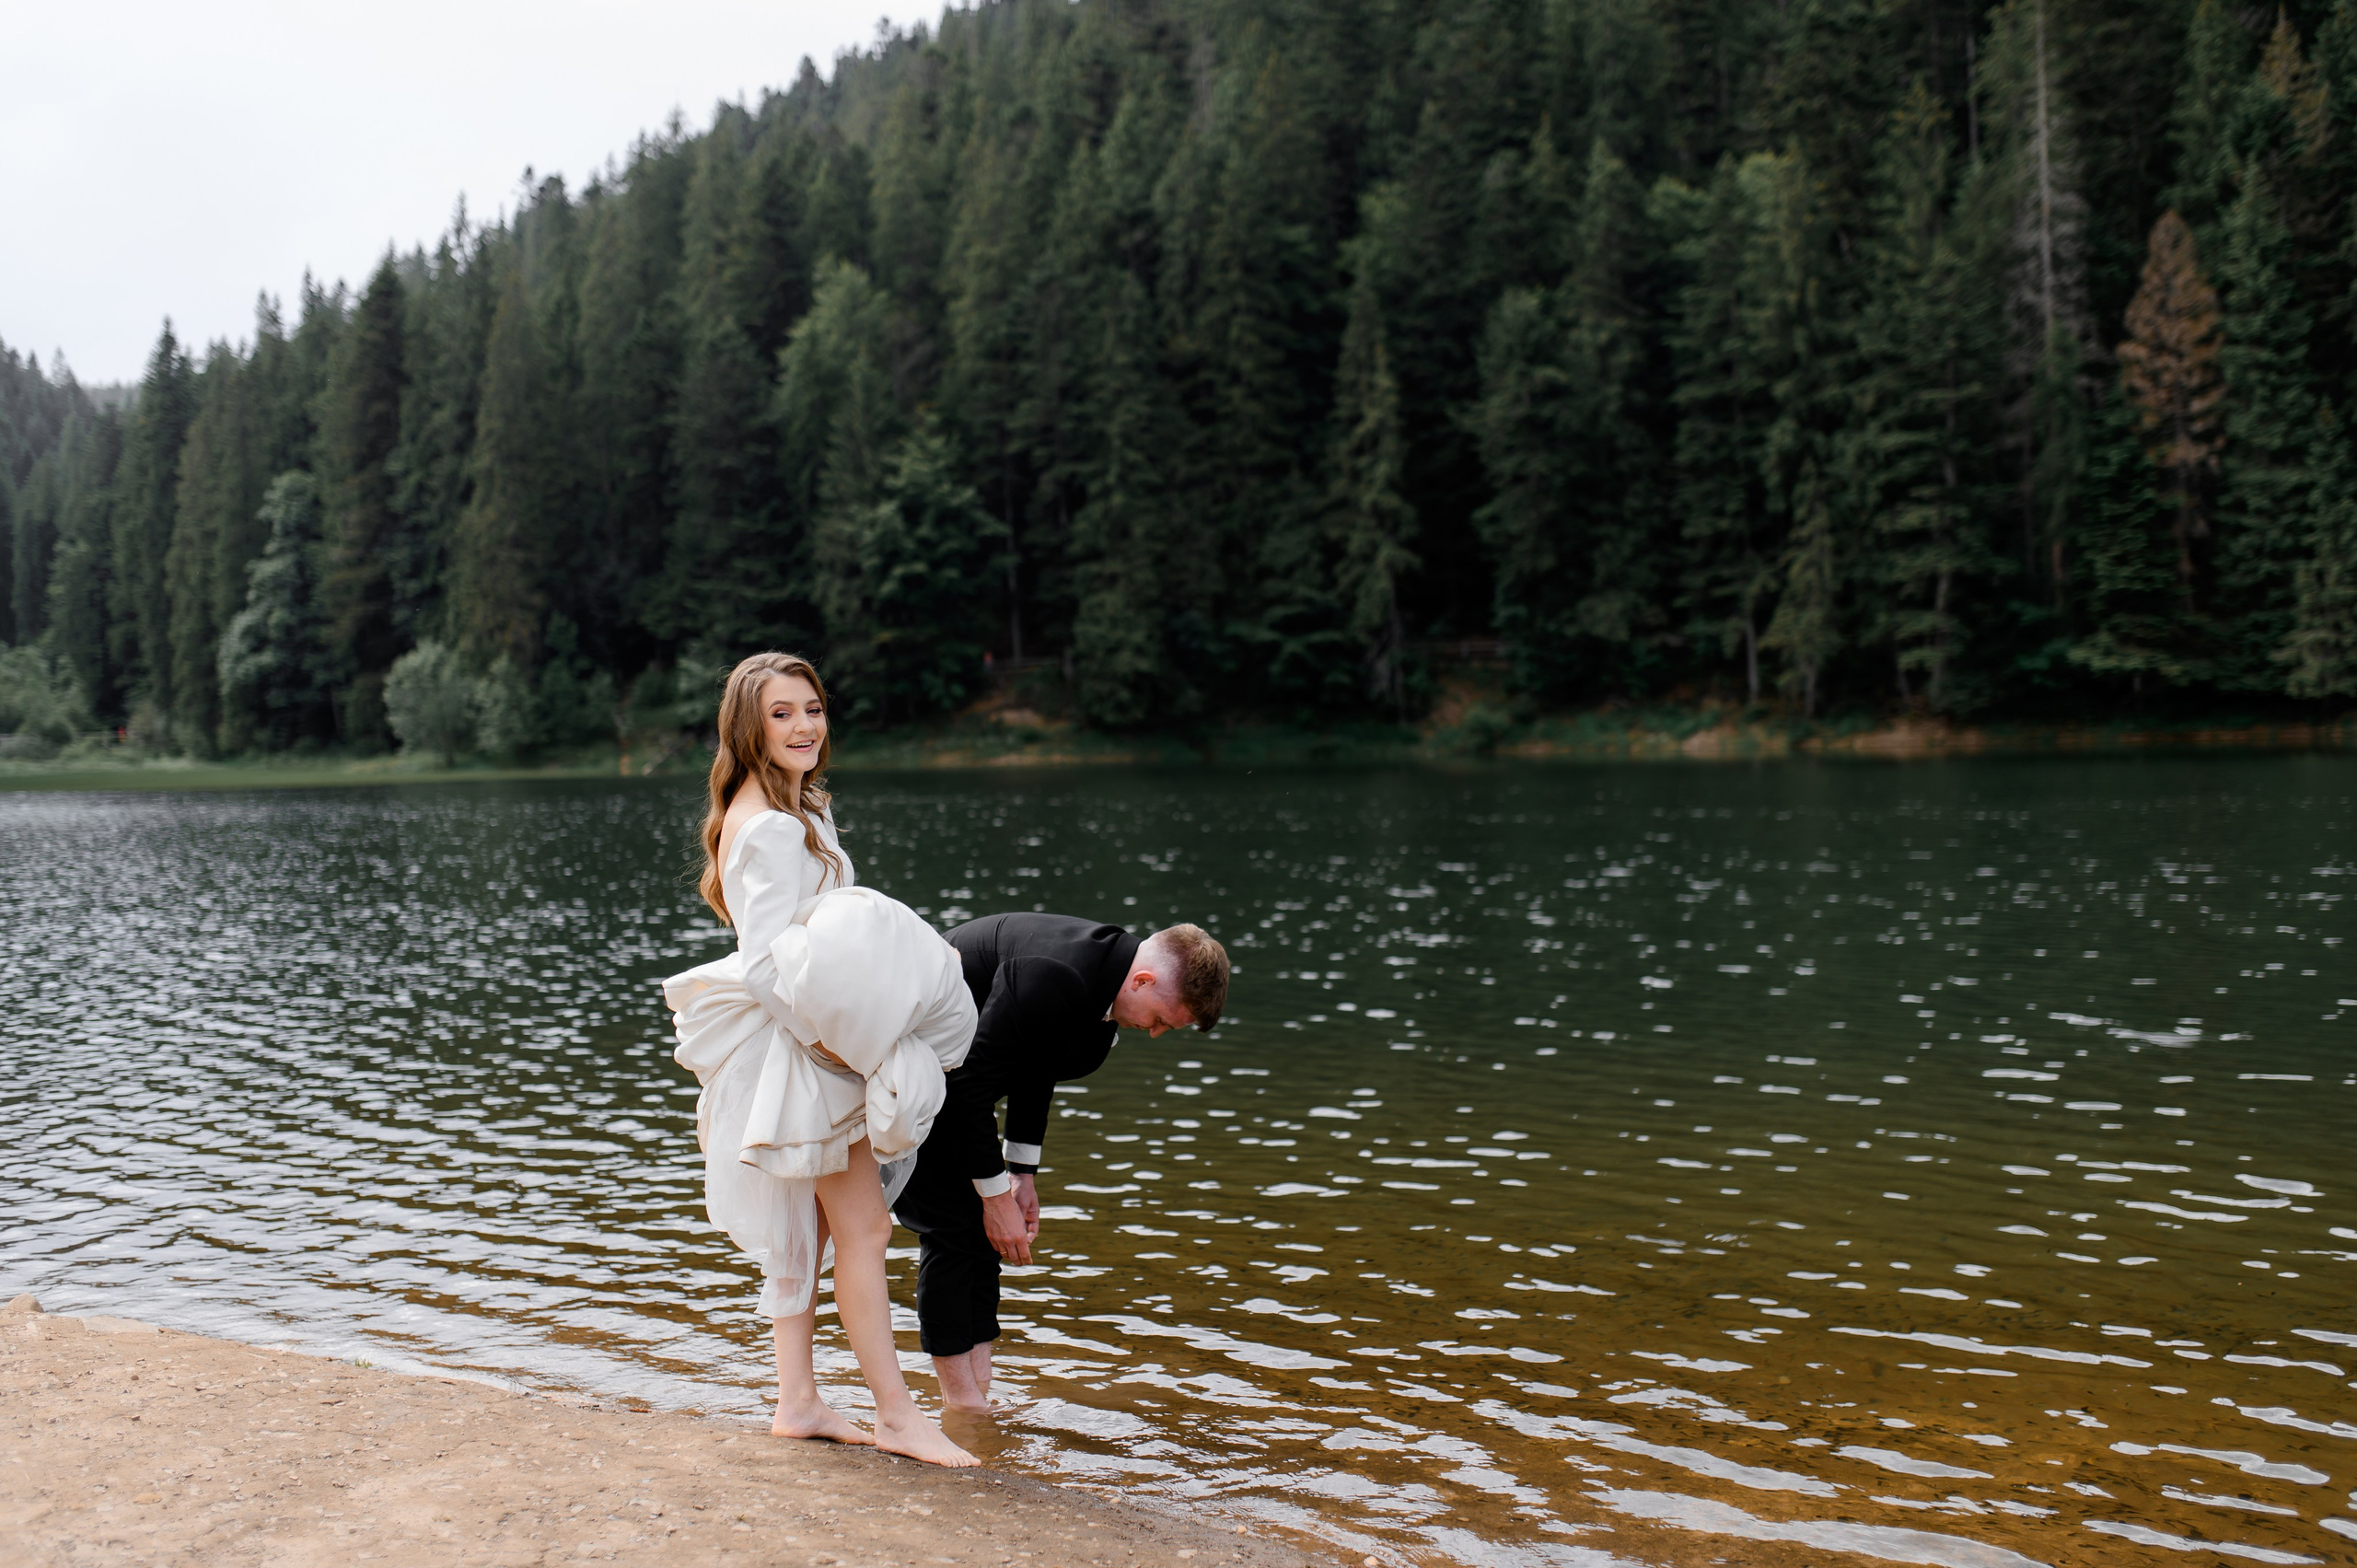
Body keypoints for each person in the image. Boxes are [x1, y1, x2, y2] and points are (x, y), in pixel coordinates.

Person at [662, 652, 978, 1468]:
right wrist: (844, 1050)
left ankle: (797, 1400)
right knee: (865, 1228)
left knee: (808, 1230)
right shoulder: (768, 825)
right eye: (782, 713)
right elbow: (767, 967)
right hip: (806, 1049)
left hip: (811, 1037)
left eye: (813, 708)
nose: (804, 725)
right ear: (749, 727)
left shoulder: (797, 806)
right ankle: (899, 1416)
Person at [893, 913, 1230, 1411]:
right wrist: (994, 1198)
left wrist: (1020, 1173)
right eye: (1161, 1019)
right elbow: (968, 1087)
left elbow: (1035, 1068)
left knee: (985, 1239)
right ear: (1143, 981)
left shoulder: (1103, 981)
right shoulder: (1056, 972)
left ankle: (978, 1388)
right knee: (955, 1230)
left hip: (958, 1086)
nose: (1156, 1034)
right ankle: (962, 1405)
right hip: (911, 1074)